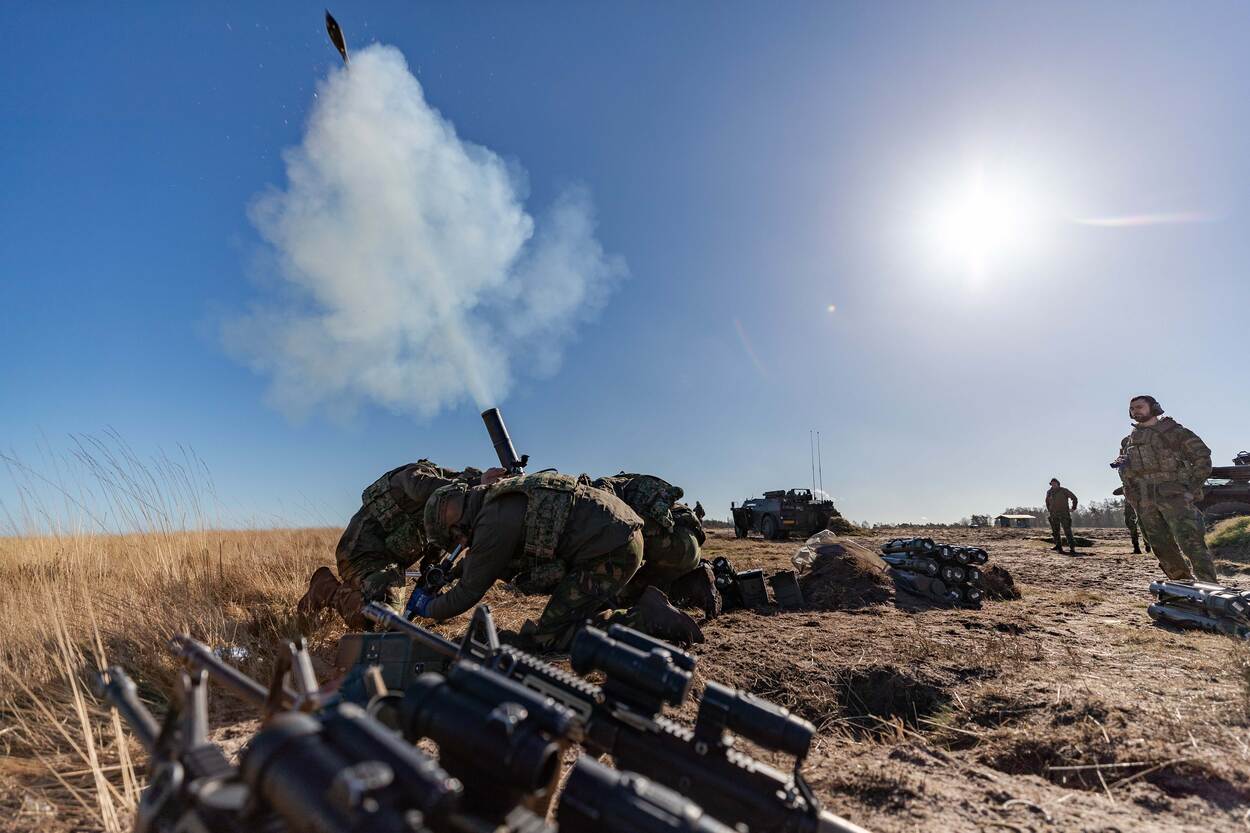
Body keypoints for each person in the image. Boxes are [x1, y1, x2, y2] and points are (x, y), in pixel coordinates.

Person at [415, 472, 704, 651]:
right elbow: (487, 560)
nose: (461, 545)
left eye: (455, 540)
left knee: (549, 637)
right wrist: (455, 571)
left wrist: (426, 608)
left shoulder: (493, 522)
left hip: (610, 551)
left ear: (453, 527)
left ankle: (645, 619)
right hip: (615, 538)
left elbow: (468, 592)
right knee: (568, 612)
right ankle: (638, 605)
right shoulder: (496, 500)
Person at [297, 460, 502, 629]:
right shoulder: (417, 474)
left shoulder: (443, 516)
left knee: (391, 614)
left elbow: (431, 563)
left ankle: (361, 591)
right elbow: (419, 489)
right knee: (382, 617)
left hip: (389, 566)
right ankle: (326, 590)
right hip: (359, 554)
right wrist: (477, 483)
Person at [1114, 395, 1216, 582]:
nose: (1135, 411)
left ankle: (1211, 587)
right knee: (1161, 548)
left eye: (1140, 407)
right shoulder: (1128, 441)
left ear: (1154, 408)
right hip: (1145, 501)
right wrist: (1131, 495)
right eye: (1132, 408)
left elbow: (1203, 459)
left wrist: (1191, 489)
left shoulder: (1175, 433)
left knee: (1192, 544)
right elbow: (1125, 471)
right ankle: (1183, 586)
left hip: (1175, 498)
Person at [1113, 486, 1151, 555]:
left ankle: (1141, 548)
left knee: (1140, 530)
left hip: (1133, 511)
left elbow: (1115, 492)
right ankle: (1144, 548)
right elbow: (1115, 492)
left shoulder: (1133, 487)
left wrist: (1125, 488)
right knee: (1142, 530)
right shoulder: (1139, 486)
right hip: (1138, 510)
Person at [1045, 478, 1079, 554]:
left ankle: (1072, 548)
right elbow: (1047, 502)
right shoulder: (1049, 492)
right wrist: (1050, 510)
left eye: (1054, 483)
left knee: (1067, 531)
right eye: (1052, 484)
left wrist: (1073, 508)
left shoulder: (1064, 490)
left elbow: (1074, 498)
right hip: (1053, 514)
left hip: (1064, 514)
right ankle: (1058, 546)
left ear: (1058, 483)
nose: (1053, 485)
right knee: (1055, 531)